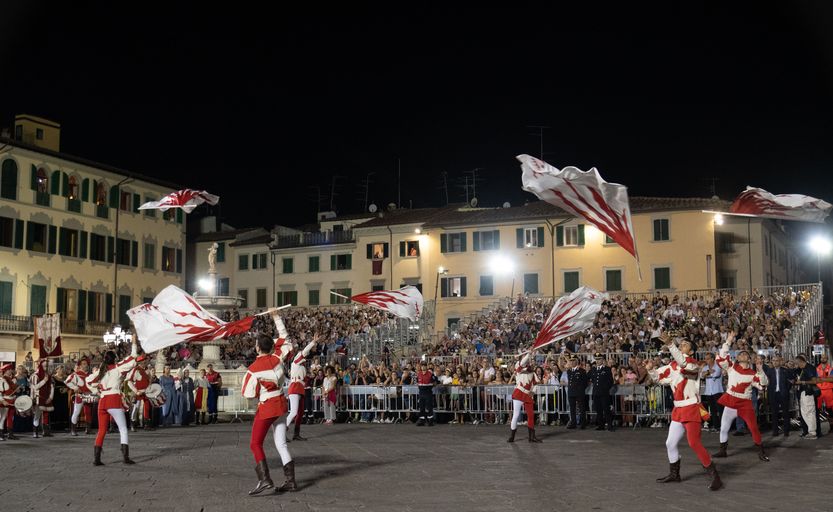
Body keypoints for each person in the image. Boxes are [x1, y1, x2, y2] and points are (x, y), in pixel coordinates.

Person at [645, 332, 721, 491]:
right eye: (681, 344)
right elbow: (658, 378)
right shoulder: (672, 365)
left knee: (694, 443)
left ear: (692, 351)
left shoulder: (694, 364)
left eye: (685, 345)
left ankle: (715, 476)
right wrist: (651, 369)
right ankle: (674, 474)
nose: (682, 345)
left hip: (691, 407)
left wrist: (671, 344)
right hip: (678, 408)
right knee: (670, 443)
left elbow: (683, 363)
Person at [241, 333, 296, 496]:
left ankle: (265, 479)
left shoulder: (253, 369)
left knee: (255, 444)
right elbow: (286, 339)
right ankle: (290, 481)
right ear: (270, 347)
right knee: (281, 444)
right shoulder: (278, 358)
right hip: (280, 404)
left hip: (267, 407)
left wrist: (261, 390)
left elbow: (247, 393)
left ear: (257, 348)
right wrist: (276, 317)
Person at [713, 332, 769, 462]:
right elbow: (720, 358)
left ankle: (761, 451)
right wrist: (728, 340)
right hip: (731, 401)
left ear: (749, 359)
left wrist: (760, 371)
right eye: (740, 354)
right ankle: (723, 450)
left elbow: (763, 385)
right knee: (724, 428)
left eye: (746, 354)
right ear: (737, 358)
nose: (743, 354)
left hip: (745, 403)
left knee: (753, 428)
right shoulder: (732, 367)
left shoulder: (753, 373)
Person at [86, 336, 138, 465]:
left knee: (102, 430)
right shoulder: (118, 367)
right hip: (113, 399)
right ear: (114, 359)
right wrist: (134, 342)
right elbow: (133, 358)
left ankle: (96, 459)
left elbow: (88, 381)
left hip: (102, 401)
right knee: (123, 429)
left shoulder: (101, 371)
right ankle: (125, 457)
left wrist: (97, 389)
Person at [287, 336, 318, 440]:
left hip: (299, 388)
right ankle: (282, 432)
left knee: (299, 413)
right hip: (296, 387)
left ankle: (296, 434)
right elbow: (305, 351)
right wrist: (313, 342)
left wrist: (309, 377)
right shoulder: (296, 360)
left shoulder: (301, 366)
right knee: (294, 412)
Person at [507, 353, 542, 443]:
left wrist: (533, 391)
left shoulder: (532, 372)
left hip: (528, 395)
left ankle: (532, 437)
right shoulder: (519, 368)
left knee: (531, 415)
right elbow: (523, 362)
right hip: (519, 393)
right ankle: (512, 436)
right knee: (516, 415)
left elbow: (536, 384)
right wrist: (529, 353)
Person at [763, 355, 793, 437]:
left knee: (785, 413)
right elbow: (766, 382)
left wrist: (787, 389)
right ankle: (775, 431)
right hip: (773, 394)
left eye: (777, 360)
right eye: (774, 360)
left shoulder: (785, 370)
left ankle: (786, 431)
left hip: (783, 393)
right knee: (774, 413)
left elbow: (791, 380)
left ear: (780, 361)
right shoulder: (769, 371)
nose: (775, 362)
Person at [65, 358, 94, 436]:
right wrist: (75, 388)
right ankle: (73, 430)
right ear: (80, 365)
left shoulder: (89, 375)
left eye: (86, 364)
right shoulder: (76, 374)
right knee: (76, 412)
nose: (85, 365)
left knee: (88, 412)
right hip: (80, 396)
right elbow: (67, 381)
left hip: (88, 395)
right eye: (83, 364)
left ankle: (88, 429)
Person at [794, 355, 819, 439]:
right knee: (805, 412)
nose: (797, 365)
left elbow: (814, 381)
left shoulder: (809, 368)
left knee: (809, 412)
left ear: (801, 361)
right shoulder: (804, 369)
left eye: (797, 363)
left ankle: (812, 432)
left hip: (808, 393)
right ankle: (811, 431)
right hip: (804, 392)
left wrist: (802, 382)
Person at [589, 353, 614, 431]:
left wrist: (605, 389)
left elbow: (610, 381)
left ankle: (609, 425)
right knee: (598, 410)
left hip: (604, 393)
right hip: (596, 393)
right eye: (596, 359)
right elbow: (591, 379)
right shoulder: (593, 369)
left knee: (606, 410)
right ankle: (601, 425)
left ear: (602, 360)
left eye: (599, 359)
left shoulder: (607, 369)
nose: (597, 361)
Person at [127, 356, 153, 431]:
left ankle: (146, 424)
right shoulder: (136, 370)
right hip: (139, 392)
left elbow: (149, 382)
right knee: (136, 408)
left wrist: (150, 377)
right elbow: (129, 382)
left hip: (147, 391)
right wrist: (136, 391)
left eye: (145, 361)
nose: (145, 363)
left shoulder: (146, 370)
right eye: (144, 362)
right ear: (140, 362)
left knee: (147, 407)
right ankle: (132, 424)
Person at [30, 359, 54, 438]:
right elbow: (34, 387)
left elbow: (51, 386)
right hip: (38, 398)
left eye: (47, 366)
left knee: (46, 414)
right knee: (37, 415)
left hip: (47, 397)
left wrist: (50, 397)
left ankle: (45, 431)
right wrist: (44, 380)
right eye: (44, 366)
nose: (46, 367)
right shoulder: (35, 375)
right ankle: (35, 432)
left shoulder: (49, 375)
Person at [700, 353, 723, 432]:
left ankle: (722, 427)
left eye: (708, 358)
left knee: (720, 410)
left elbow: (716, 374)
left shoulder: (718, 366)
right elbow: (701, 376)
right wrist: (709, 372)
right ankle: (716, 426)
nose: (706, 360)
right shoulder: (705, 367)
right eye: (706, 359)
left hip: (717, 391)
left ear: (713, 359)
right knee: (712, 410)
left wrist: (706, 373)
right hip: (708, 392)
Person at [566, 356, 588, 429]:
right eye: (571, 361)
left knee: (581, 408)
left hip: (579, 392)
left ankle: (583, 423)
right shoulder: (569, 371)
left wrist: (580, 389)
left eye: (573, 361)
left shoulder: (582, 371)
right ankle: (573, 423)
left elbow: (585, 383)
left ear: (576, 361)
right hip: (571, 392)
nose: (572, 362)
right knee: (572, 409)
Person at [0, 363, 18, 440]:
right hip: (3, 401)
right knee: (1, 417)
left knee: (5, 417)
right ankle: (1, 435)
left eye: (11, 369)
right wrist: (2, 400)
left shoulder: (11, 380)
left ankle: (4, 434)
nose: (11, 371)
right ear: (6, 371)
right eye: (9, 369)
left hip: (10, 400)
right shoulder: (2, 380)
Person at [816, 354, 833, 435]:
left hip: (828, 390)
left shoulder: (830, 368)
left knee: (830, 410)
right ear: (820, 359)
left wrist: (822, 379)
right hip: (819, 391)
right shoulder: (816, 369)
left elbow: (831, 379)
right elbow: (814, 379)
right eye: (822, 357)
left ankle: (832, 427)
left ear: (827, 359)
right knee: (817, 410)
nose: (823, 359)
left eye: (825, 357)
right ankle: (817, 429)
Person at [416, 361, 435, 426]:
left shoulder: (430, 373)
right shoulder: (419, 374)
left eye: (424, 365)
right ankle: (422, 420)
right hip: (421, 392)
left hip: (428, 392)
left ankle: (430, 421)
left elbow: (434, 382)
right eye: (422, 366)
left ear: (426, 366)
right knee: (421, 407)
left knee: (429, 407)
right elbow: (417, 382)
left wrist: (430, 386)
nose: (423, 367)